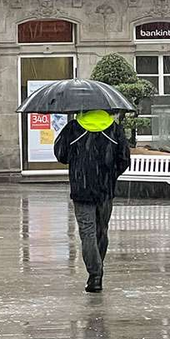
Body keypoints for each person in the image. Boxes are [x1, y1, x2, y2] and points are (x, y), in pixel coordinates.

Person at [54, 109, 130, 293]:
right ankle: (97, 270)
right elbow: (125, 159)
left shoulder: (73, 128)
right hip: (105, 190)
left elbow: (61, 155)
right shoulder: (114, 129)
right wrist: (110, 175)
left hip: (82, 189)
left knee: (87, 233)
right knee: (101, 231)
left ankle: (95, 274)